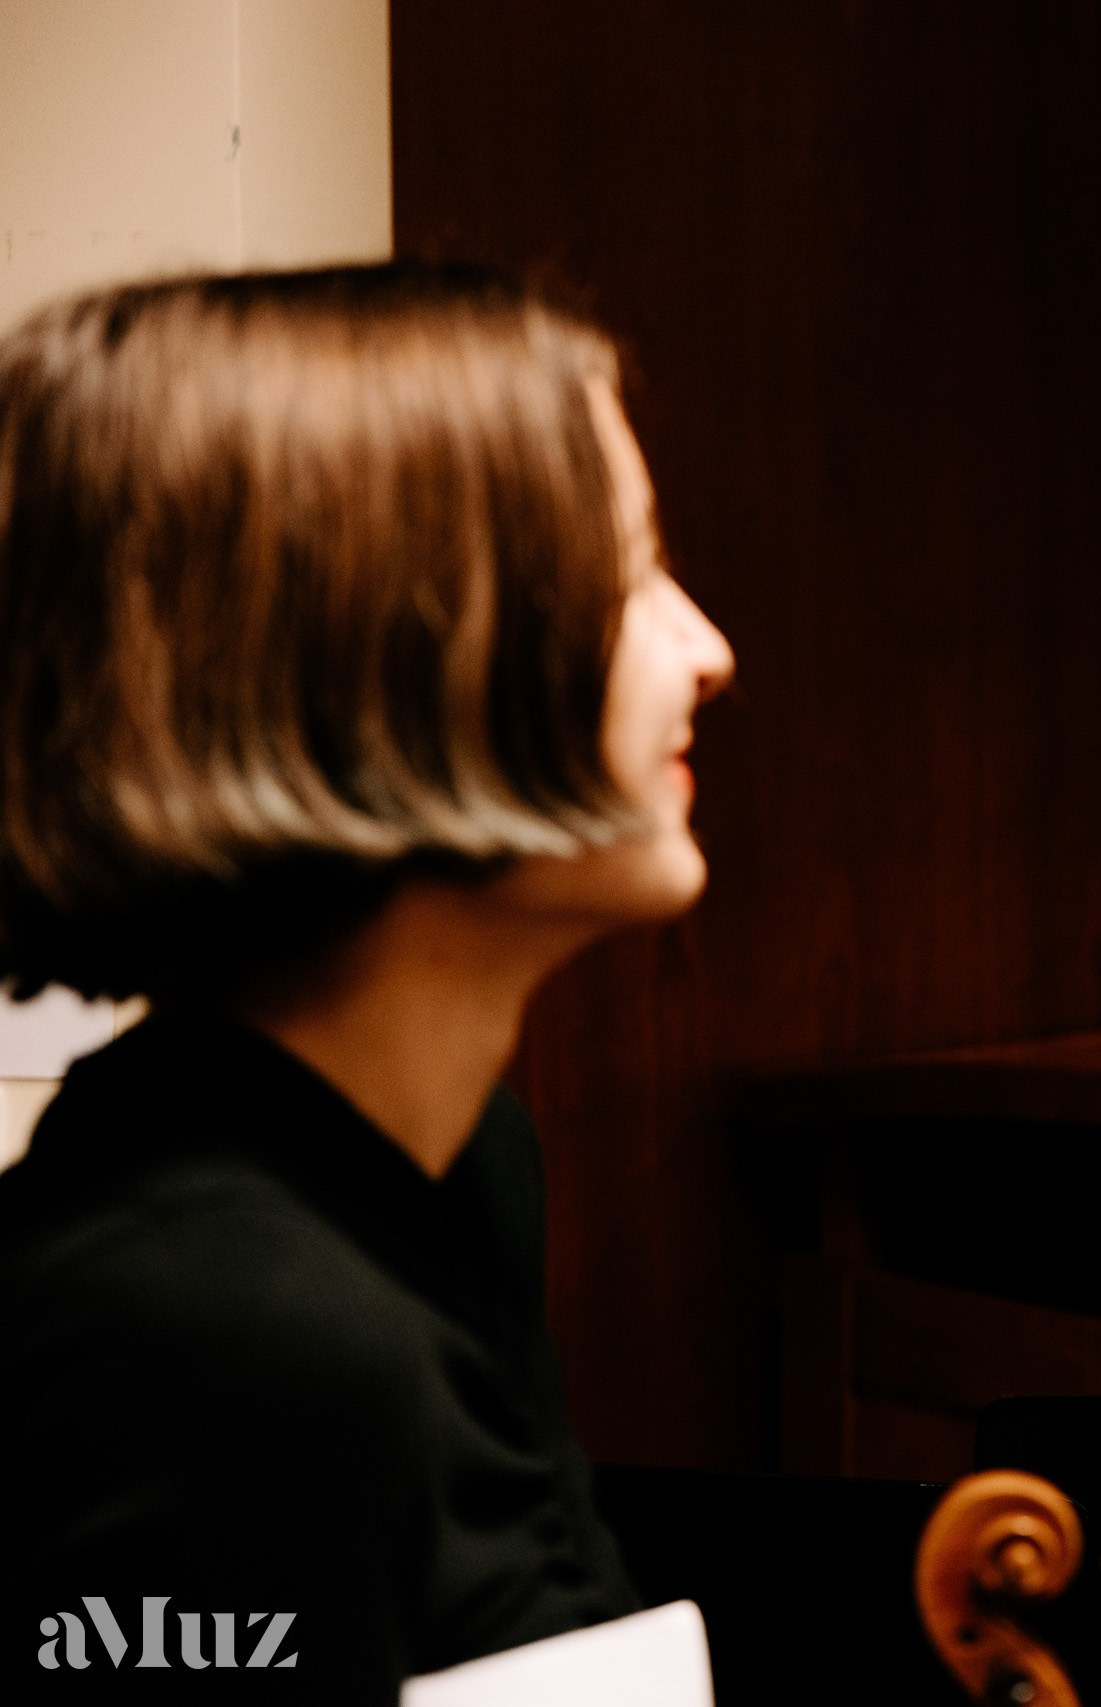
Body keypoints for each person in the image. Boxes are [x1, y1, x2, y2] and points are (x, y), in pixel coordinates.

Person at [0, 265, 735, 1699]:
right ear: (396, 664)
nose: (707, 650)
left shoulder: (459, 1163)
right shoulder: (205, 1340)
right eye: (627, 572)